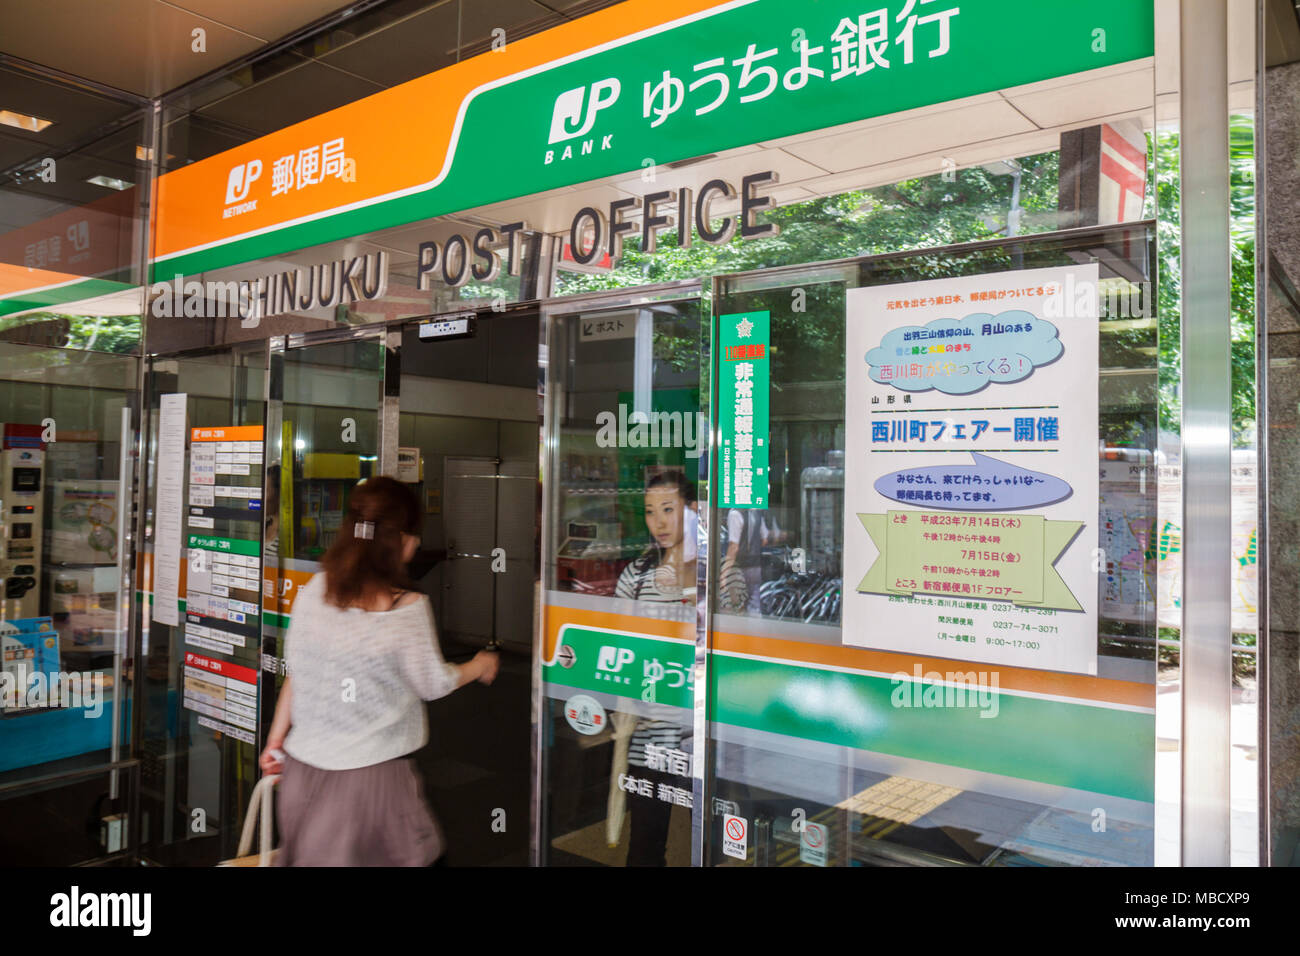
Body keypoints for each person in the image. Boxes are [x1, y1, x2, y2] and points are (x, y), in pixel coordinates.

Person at [258, 475, 499, 866]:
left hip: (302, 774)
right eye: (414, 534)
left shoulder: (314, 591)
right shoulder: (406, 609)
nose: (418, 542)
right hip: (370, 784)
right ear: (398, 540)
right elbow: (433, 682)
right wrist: (479, 664)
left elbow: (297, 673)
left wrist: (274, 740)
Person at [612, 470, 695, 865]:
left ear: (692, 511)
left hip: (701, 736)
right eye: (650, 512)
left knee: (714, 844)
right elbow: (619, 648)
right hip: (650, 738)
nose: (658, 522)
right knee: (645, 844)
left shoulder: (715, 575)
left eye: (668, 509)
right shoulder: (636, 576)